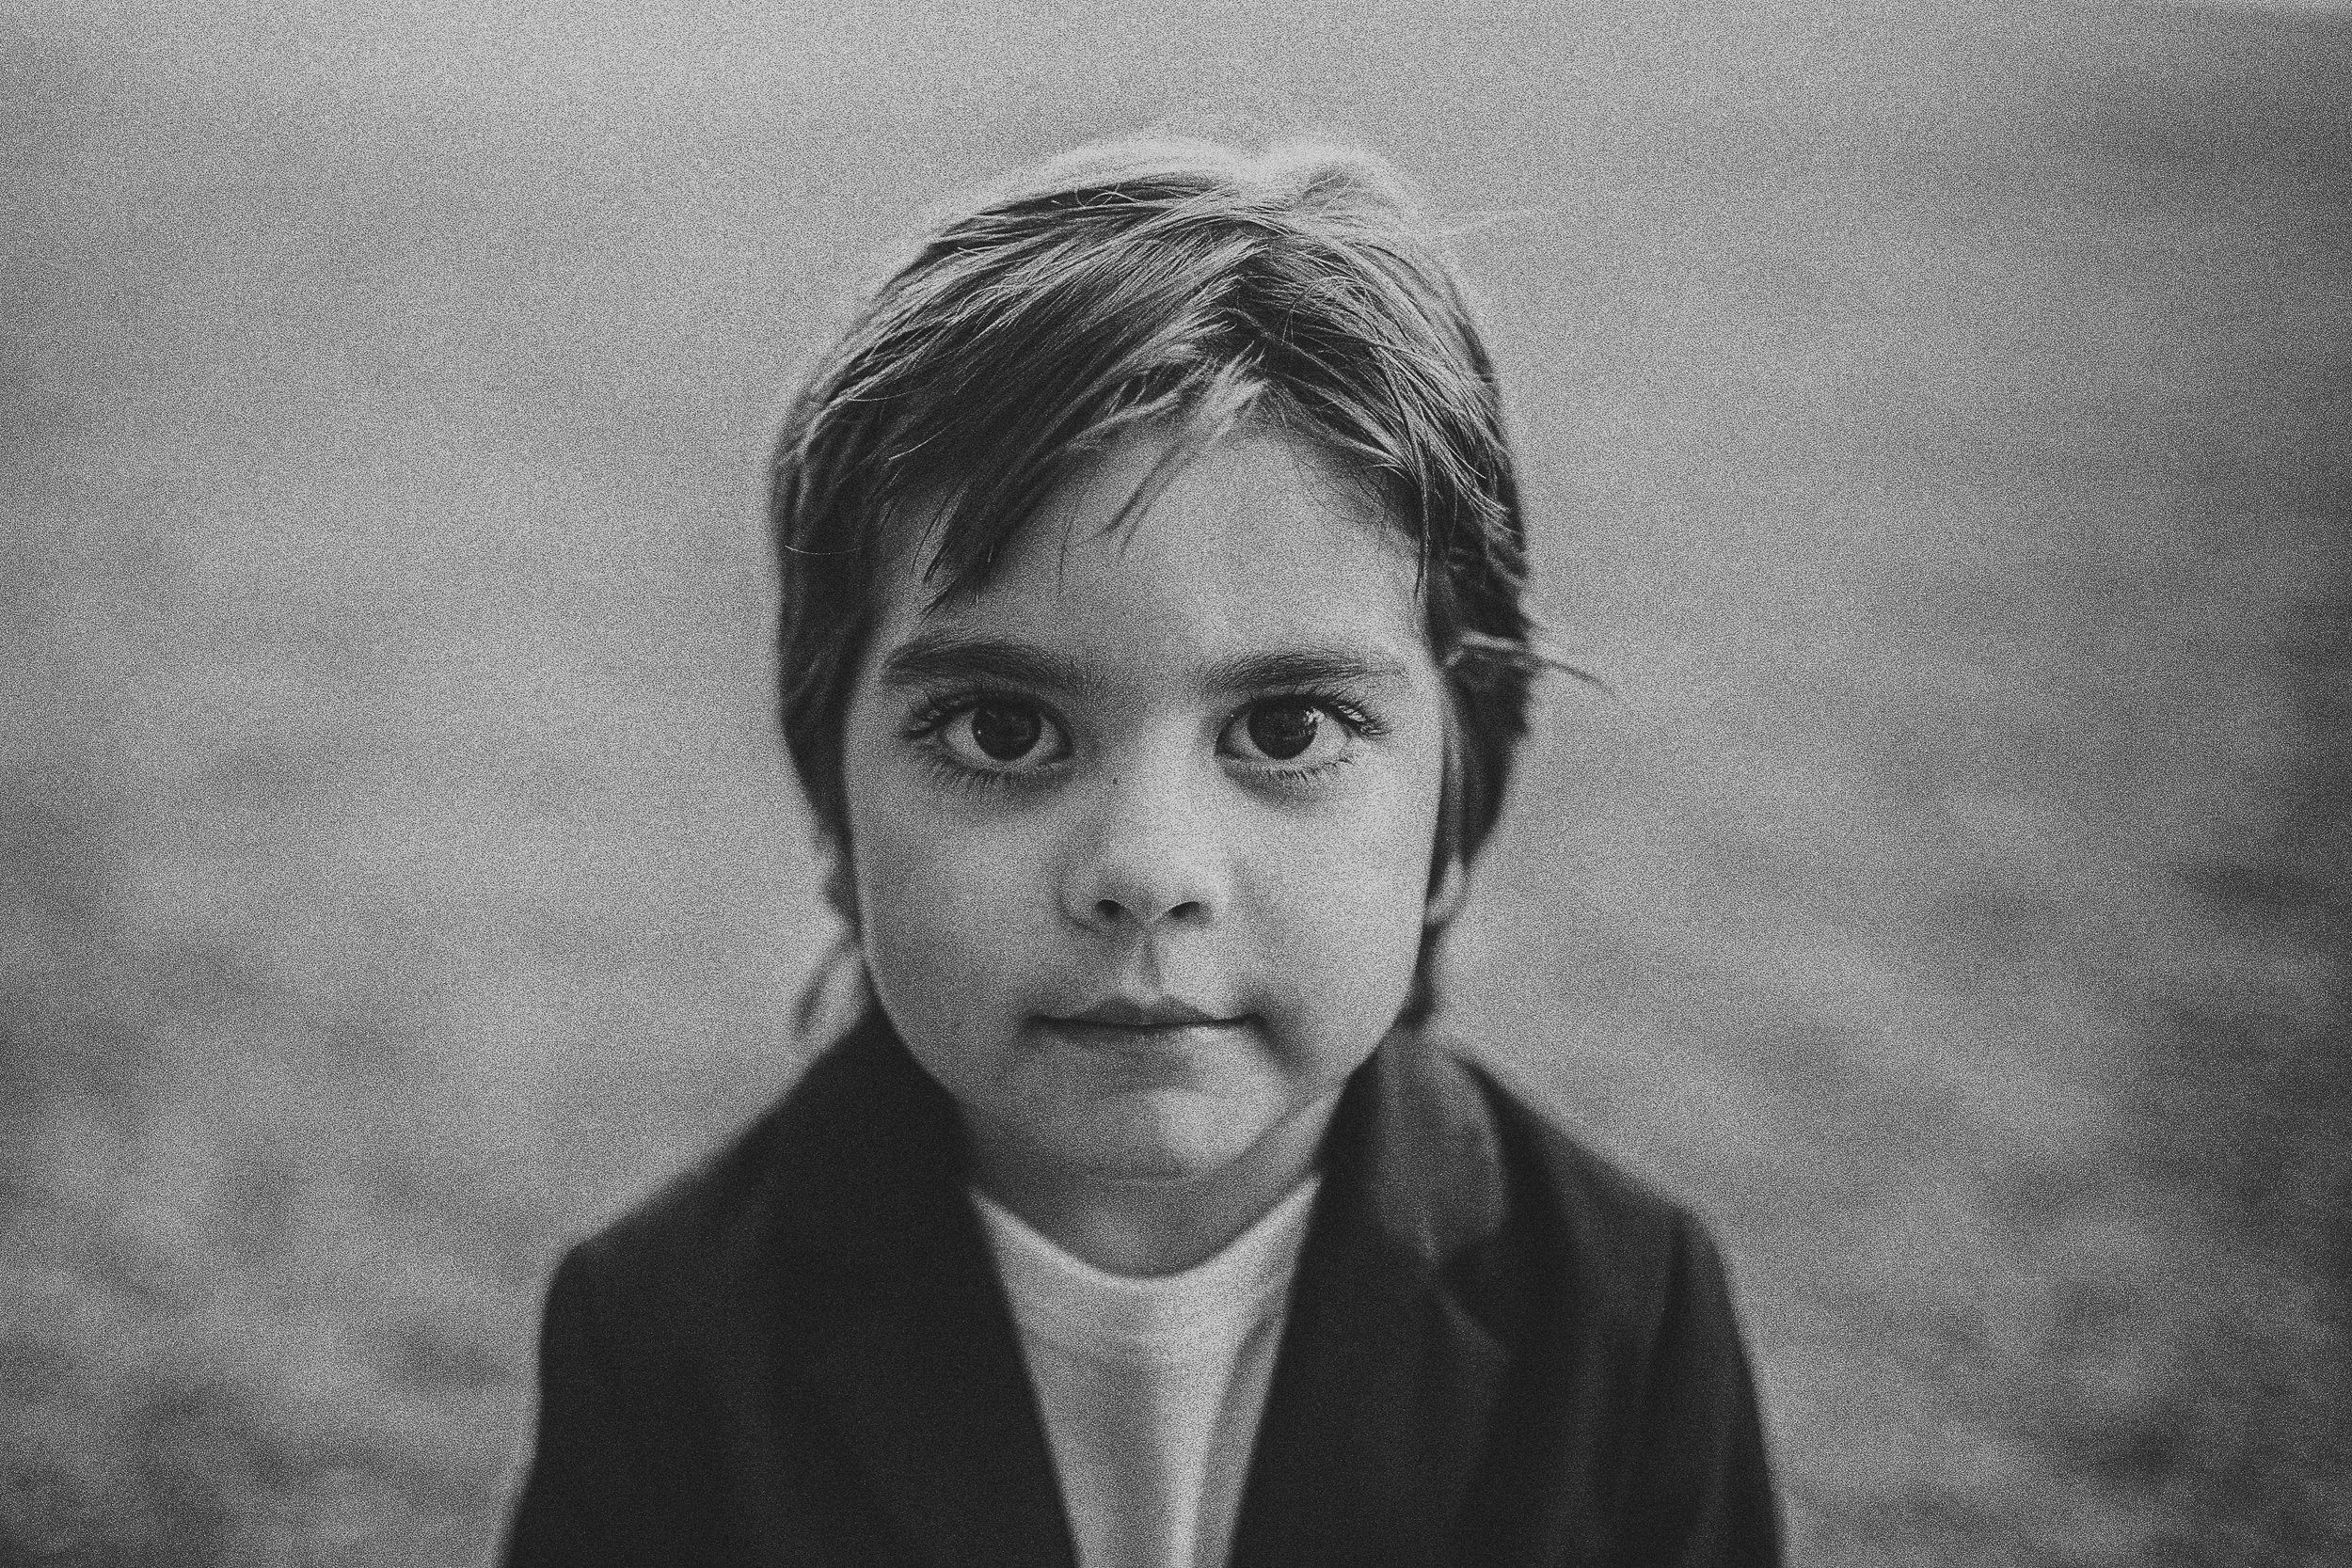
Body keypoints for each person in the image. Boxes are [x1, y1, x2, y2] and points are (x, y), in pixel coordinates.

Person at [501, 137, 1782, 1568]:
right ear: (835, 799)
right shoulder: (665, 1340)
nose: (1147, 866)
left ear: (1455, 799)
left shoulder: (1622, 1317)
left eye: (1288, 727)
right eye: (1001, 728)